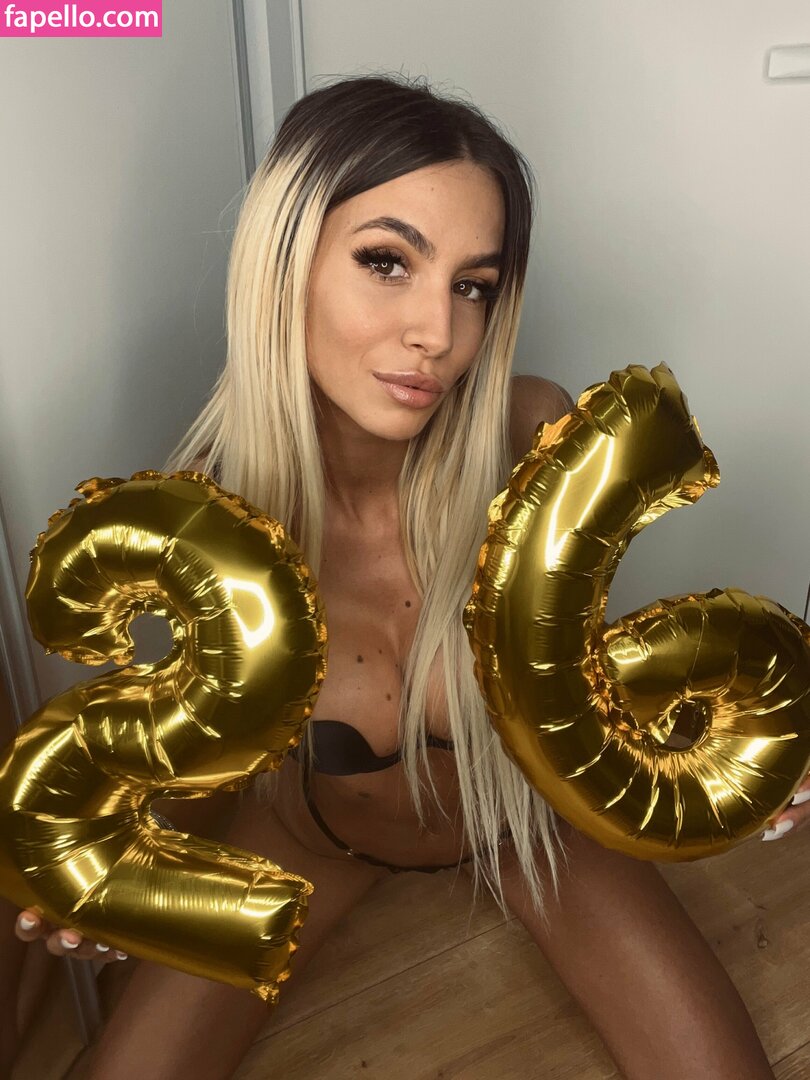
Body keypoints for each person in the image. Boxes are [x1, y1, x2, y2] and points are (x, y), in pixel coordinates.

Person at [5, 73, 806, 1080]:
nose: (440, 332)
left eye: (474, 284)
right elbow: (203, 758)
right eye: (387, 261)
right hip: (313, 842)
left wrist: (761, 753)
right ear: (285, 262)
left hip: (525, 827)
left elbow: (588, 684)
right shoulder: (211, 519)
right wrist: (110, 877)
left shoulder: (533, 434)